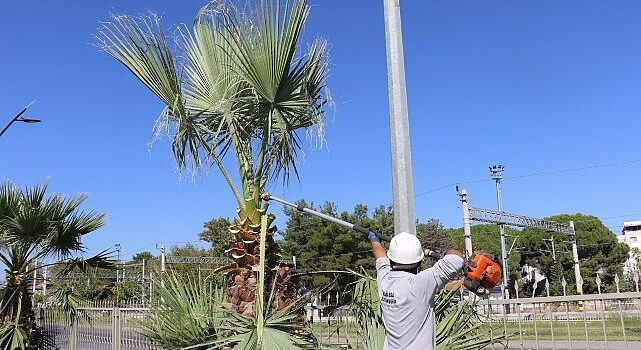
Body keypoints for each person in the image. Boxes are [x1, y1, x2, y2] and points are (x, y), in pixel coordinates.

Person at [369, 231, 465, 350]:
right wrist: (444, 253)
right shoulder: (420, 284)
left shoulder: (384, 279)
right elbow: (457, 258)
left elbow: (380, 257)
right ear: (419, 262)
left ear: (391, 259)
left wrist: (374, 240)